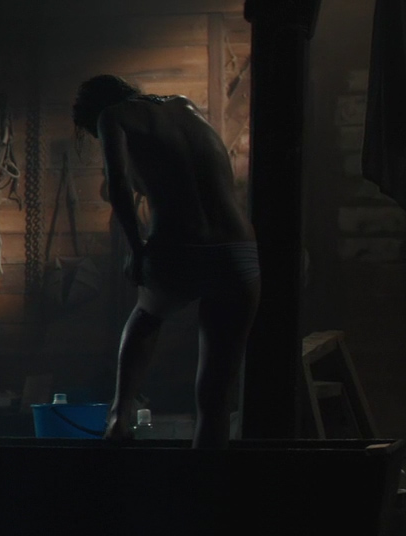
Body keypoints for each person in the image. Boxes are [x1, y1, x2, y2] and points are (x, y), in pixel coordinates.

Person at [72, 75, 261, 449]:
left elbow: (118, 184)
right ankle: (207, 483)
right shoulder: (184, 106)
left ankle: (119, 415)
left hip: (181, 247)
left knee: (146, 315)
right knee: (215, 401)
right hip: (238, 251)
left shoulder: (112, 116)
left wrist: (137, 249)